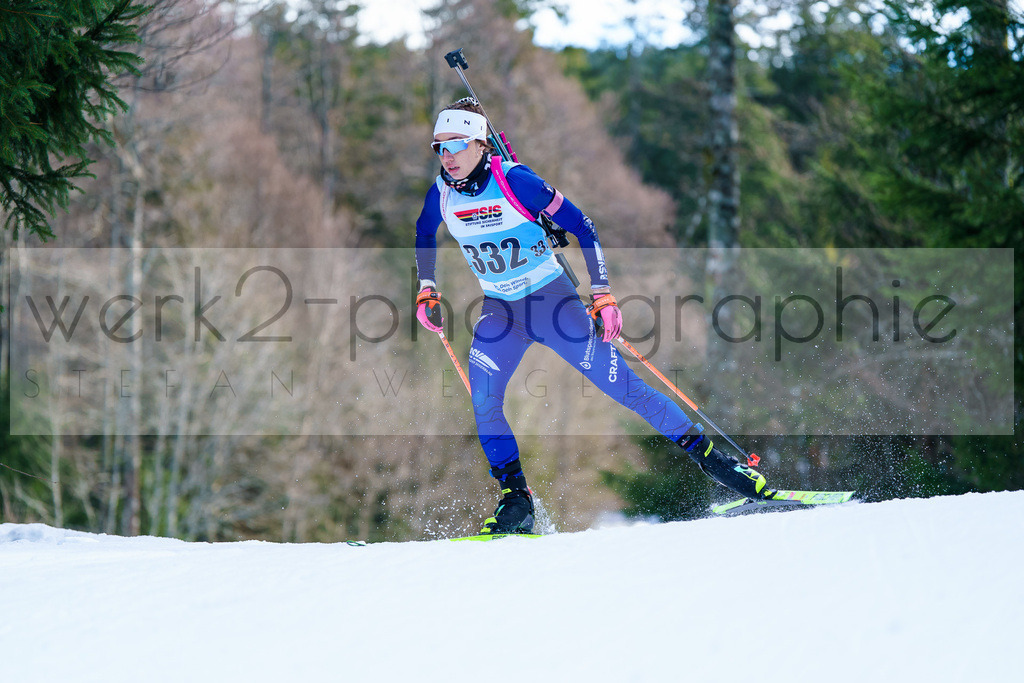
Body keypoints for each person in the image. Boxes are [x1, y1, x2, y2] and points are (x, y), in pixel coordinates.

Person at [414, 98, 770, 534]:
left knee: (625, 389)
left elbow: (583, 226)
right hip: (500, 312)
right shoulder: (442, 193)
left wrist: (603, 295)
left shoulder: (516, 182)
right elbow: (423, 231)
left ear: (481, 144)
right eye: (439, 148)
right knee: (484, 398)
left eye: (455, 145)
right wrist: (426, 287)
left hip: (553, 305)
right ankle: (517, 501)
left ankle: (722, 468)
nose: (446, 156)